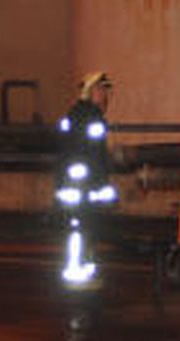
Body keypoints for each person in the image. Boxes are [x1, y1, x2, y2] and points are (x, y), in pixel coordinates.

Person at [55, 70, 116, 287]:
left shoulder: (78, 115)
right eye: (101, 90)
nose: (106, 96)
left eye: (107, 91)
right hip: (81, 188)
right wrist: (101, 185)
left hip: (79, 186)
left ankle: (85, 270)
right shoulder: (87, 117)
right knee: (80, 228)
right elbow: (93, 156)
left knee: (84, 228)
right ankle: (76, 272)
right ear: (90, 92)